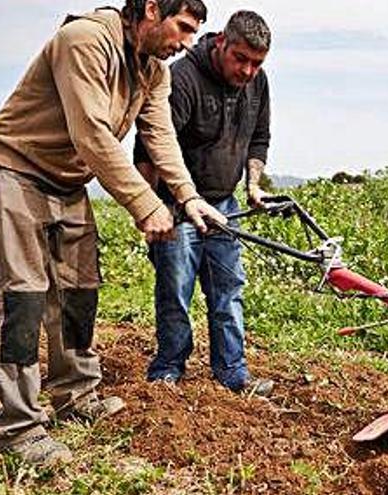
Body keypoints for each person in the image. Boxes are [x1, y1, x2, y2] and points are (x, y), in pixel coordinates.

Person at [0, 0, 227, 466]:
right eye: (184, 28)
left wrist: (188, 196)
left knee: (78, 290)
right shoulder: (86, 40)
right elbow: (91, 133)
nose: (188, 43)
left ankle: (75, 396)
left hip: (69, 178)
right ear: (152, 9)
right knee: (24, 296)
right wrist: (145, 204)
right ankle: (20, 428)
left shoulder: (154, 70)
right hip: (18, 166)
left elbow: (160, 137)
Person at [134, 10, 274, 395]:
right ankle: (168, 370)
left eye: (256, 63)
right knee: (176, 290)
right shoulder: (182, 79)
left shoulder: (257, 83)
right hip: (177, 207)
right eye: (240, 59)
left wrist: (254, 187)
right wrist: (148, 205)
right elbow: (149, 144)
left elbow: (258, 138)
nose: (248, 71)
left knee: (229, 290)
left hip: (224, 205)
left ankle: (232, 373)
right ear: (221, 43)